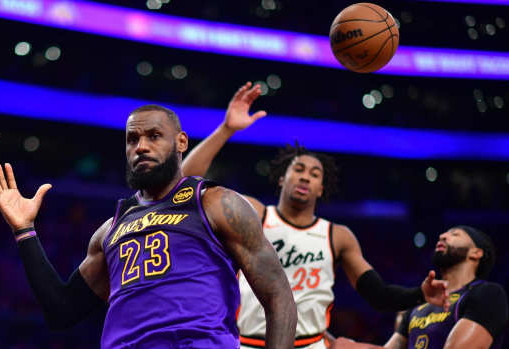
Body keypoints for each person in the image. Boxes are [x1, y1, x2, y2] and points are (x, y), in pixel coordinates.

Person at [0, 104, 297, 348]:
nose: (141, 147)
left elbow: (278, 295)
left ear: (181, 142)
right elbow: (62, 310)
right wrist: (25, 230)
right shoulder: (110, 229)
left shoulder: (216, 203)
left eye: (154, 136)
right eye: (132, 139)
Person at [181, 82, 450, 349]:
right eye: (298, 169)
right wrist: (227, 129)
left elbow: (376, 294)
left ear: (321, 189)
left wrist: (419, 294)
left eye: (314, 174)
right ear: (282, 179)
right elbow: (187, 183)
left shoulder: (337, 236)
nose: (305, 177)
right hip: (247, 342)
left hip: (311, 344)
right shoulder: (256, 214)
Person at [329, 226, 508, 349]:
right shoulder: (417, 305)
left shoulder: (488, 294)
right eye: (444, 234)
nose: (443, 236)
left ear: (476, 253)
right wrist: (331, 342)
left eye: (455, 234)